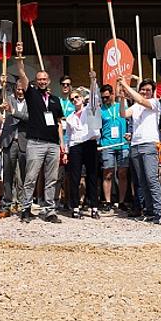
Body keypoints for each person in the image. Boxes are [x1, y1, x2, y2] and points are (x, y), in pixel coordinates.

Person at [15, 43, 66, 223]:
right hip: (35, 143)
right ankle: (26, 208)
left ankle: (49, 211)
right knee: (31, 177)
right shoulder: (32, 93)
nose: (42, 81)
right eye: (40, 79)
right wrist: (20, 57)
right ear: (36, 81)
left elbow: (59, 122)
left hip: (52, 143)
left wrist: (62, 144)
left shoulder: (55, 100)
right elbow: (22, 74)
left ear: (49, 80)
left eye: (45, 79)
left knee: (51, 179)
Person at [118, 79, 161, 224]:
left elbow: (141, 100)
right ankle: (149, 210)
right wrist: (121, 98)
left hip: (149, 143)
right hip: (135, 144)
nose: (144, 92)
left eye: (148, 90)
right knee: (142, 181)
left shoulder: (155, 103)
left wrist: (125, 85)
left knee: (151, 178)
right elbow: (123, 114)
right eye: (142, 89)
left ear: (153, 91)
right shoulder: (136, 106)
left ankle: (159, 211)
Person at [63, 71, 102, 218]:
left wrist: (93, 81)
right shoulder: (70, 118)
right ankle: (75, 207)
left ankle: (94, 207)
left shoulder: (89, 110)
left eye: (77, 97)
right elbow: (69, 136)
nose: (75, 100)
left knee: (92, 175)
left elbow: (94, 97)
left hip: (89, 143)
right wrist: (66, 151)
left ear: (81, 98)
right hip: (75, 146)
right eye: (72, 99)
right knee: (75, 177)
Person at [97, 80, 129, 213]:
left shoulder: (121, 106)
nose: (105, 99)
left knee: (122, 173)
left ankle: (121, 201)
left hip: (123, 144)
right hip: (107, 145)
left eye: (107, 96)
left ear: (112, 94)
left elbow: (129, 119)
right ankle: (108, 201)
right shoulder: (101, 110)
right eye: (102, 97)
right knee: (108, 173)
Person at [0, 82, 27, 218]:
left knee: (22, 177)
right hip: (9, 141)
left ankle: (22, 205)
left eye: (22, 89)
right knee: (8, 176)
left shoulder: (31, 102)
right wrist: (0, 85)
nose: (20, 92)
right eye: (18, 89)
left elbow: (28, 117)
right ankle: (6, 205)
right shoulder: (8, 98)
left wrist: (13, 111)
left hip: (23, 141)